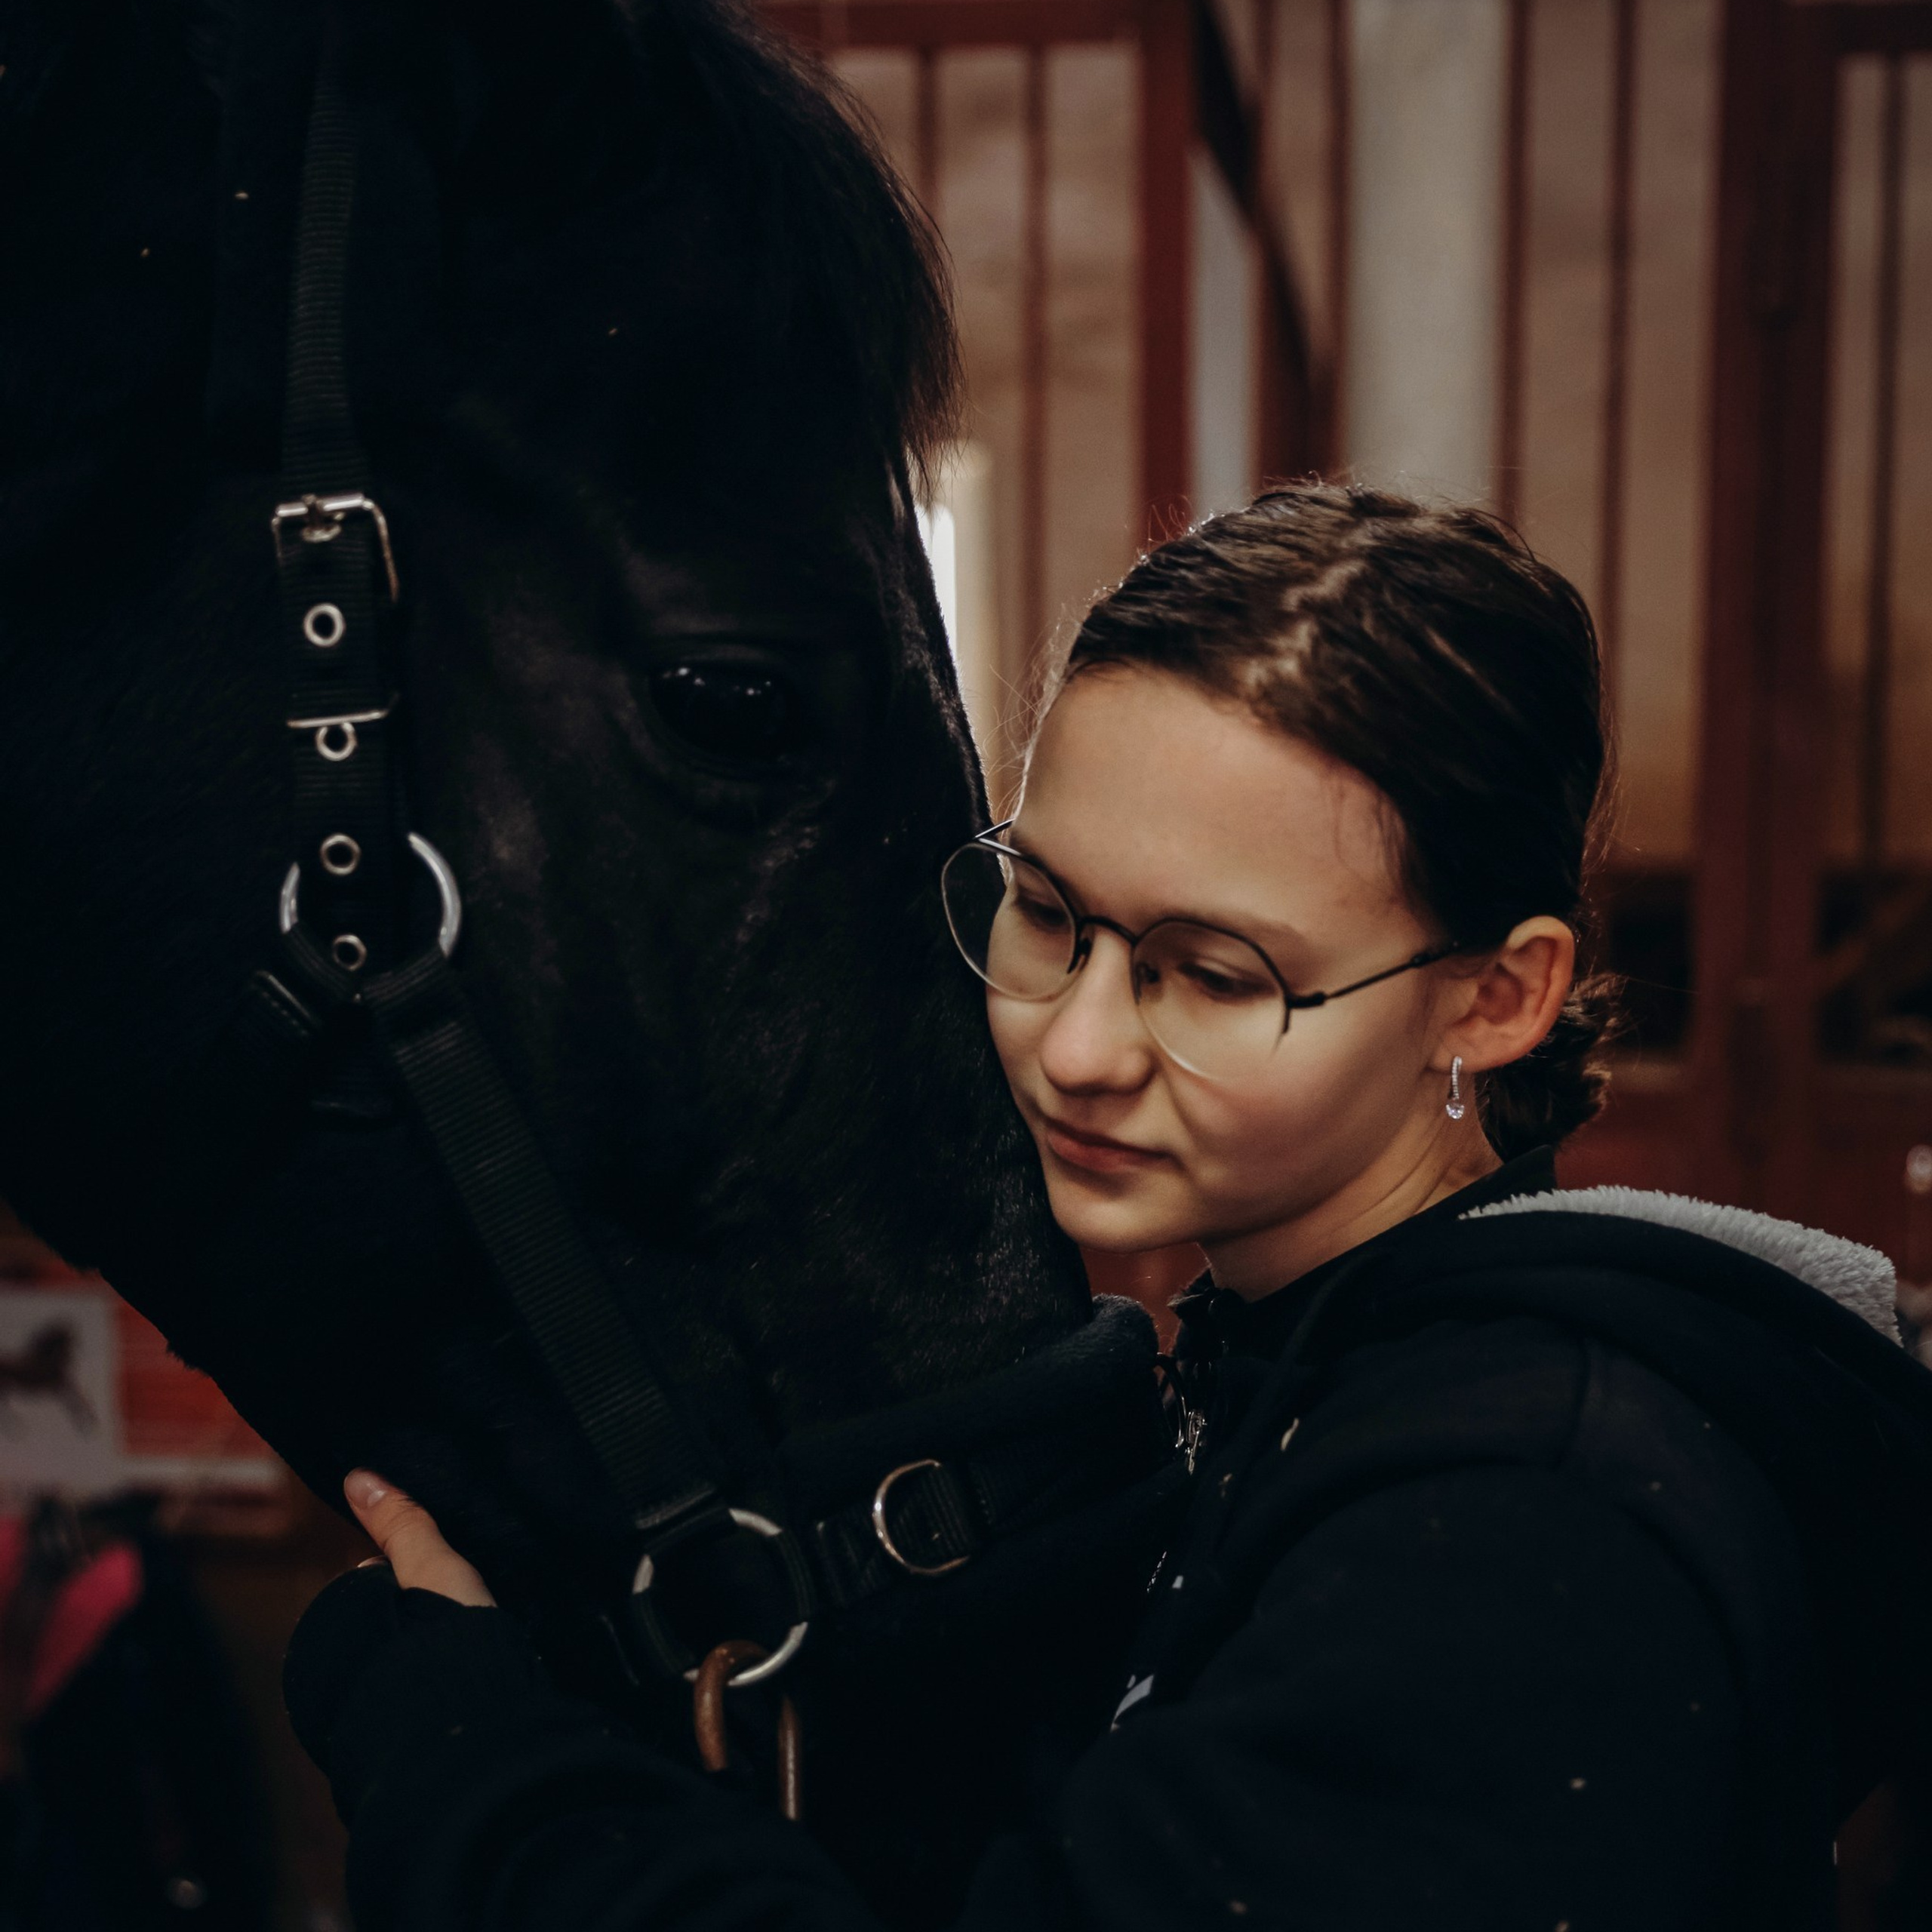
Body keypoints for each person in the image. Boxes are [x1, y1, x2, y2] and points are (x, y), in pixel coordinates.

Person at [284, 485, 1932, 1930]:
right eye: (1044, 912)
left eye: (1211, 975)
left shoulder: (1527, 1530)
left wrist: (477, 1761)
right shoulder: (1286, 1375)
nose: (1072, 1045)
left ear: (1493, 997)